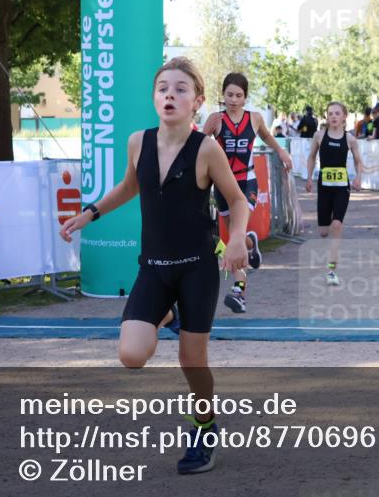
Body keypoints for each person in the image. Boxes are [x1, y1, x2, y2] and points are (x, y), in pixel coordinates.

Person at [59, 56, 249, 475]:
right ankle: (166, 312)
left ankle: (204, 427)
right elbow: (130, 186)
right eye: (163, 87)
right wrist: (89, 213)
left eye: (181, 89)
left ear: (197, 101)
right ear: (153, 98)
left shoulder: (207, 149)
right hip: (155, 268)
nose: (170, 94)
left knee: (192, 362)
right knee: (131, 355)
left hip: (197, 268)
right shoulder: (138, 142)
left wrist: (236, 239)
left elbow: (238, 201)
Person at [203, 72, 293, 314]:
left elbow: (265, 135)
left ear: (245, 97)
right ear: (223, 95)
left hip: (246, 183)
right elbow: (199, 148)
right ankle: (251, 242)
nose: (233, 99)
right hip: (222, 185)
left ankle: (239, 291)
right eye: (229, 94)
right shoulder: (215, 119)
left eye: (238, 95)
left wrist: (282, 153)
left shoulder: (254, 118)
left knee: (233, 237)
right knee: (230, 239)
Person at [305, 102, 364, 286]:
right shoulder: (319, 135)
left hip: (341, 188)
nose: (333, 117)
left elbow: (358, 161)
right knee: (323, 232)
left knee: (337, 225)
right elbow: (312, 157)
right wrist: (309, 177)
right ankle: (332, 245)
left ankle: (331, 270)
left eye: (337, 113)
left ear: (344, 116)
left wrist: (358, 178)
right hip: (324, 187)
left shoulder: (350, 139)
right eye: (330, 113)